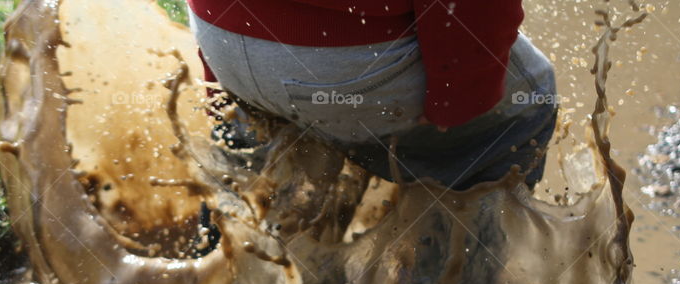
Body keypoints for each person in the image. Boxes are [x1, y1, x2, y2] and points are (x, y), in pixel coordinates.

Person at [187, 0, 557, 189]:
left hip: (218, 31)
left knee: (255, 180)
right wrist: (458, 98)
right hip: (344, 63)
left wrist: (220, 84)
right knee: (529, 103)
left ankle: (220, 258)